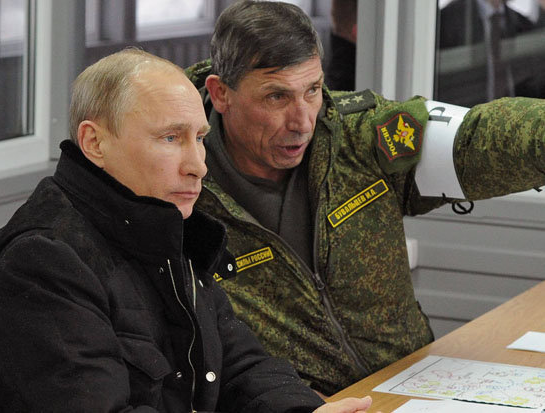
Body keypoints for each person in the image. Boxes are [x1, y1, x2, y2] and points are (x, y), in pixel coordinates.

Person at [0, 49, 378, 413]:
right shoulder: (42, 262)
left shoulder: (160, 226)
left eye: (199, 138)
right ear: (94, 142)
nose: (198, 166)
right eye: (170, 138)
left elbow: (239, 364)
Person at [185, 0, 545, 397]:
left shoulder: (356, 138)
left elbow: (479, 140)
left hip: (413, 388)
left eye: (313, 90)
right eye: (276, 97)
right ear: (221, 94)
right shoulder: (179, 187)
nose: (302, 121)